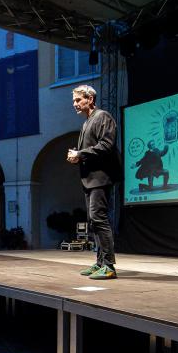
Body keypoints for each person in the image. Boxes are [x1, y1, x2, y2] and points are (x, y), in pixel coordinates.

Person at [67, 84, 121, 280]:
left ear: (90, 99)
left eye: (78, 100)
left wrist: (80, 154)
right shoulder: (87, 122)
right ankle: (100, 263)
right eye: (73, 100)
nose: (75, 104)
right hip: (90, 179)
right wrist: (78, 157)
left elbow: (106, 145)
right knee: (93, 221)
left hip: (101, 177)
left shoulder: (102, 117)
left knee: (99, 218)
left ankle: (109, 266)